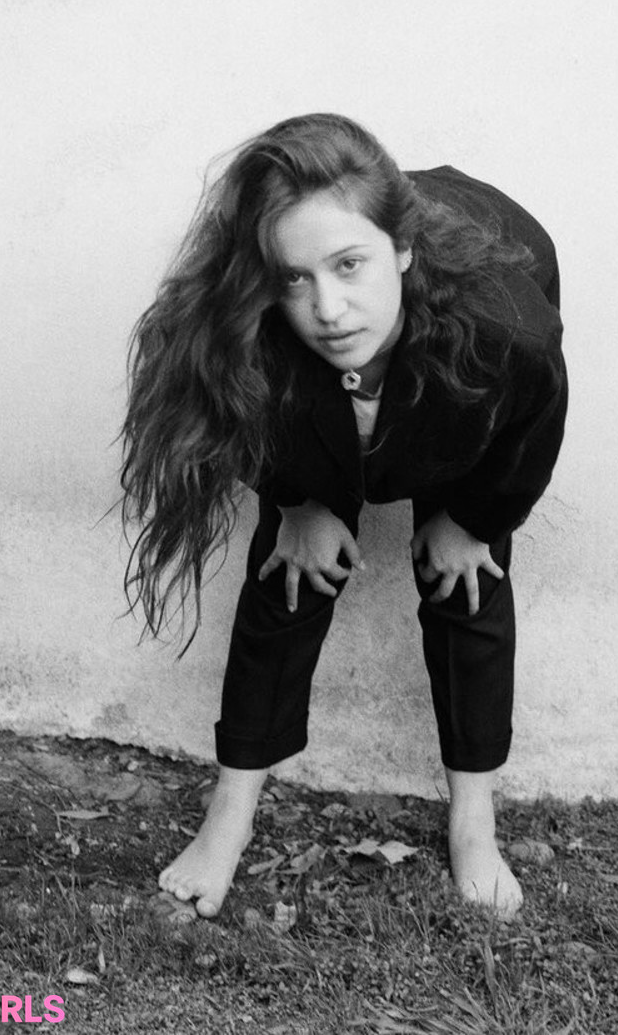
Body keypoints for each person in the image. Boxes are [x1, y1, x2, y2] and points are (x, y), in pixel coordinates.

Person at [120, 113, 567, 920]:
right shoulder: (255, 326)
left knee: (466, 582)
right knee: (288, 574)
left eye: (350, 265)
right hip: (330, 395)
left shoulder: (508, 332)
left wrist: (470, 521)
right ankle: (229, 817)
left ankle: (474, 822)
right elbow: (229, 416)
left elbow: (533, 423)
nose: (328, 307)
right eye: (296, 278)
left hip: (456, 364)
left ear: (402, 249)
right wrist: (298, 502)